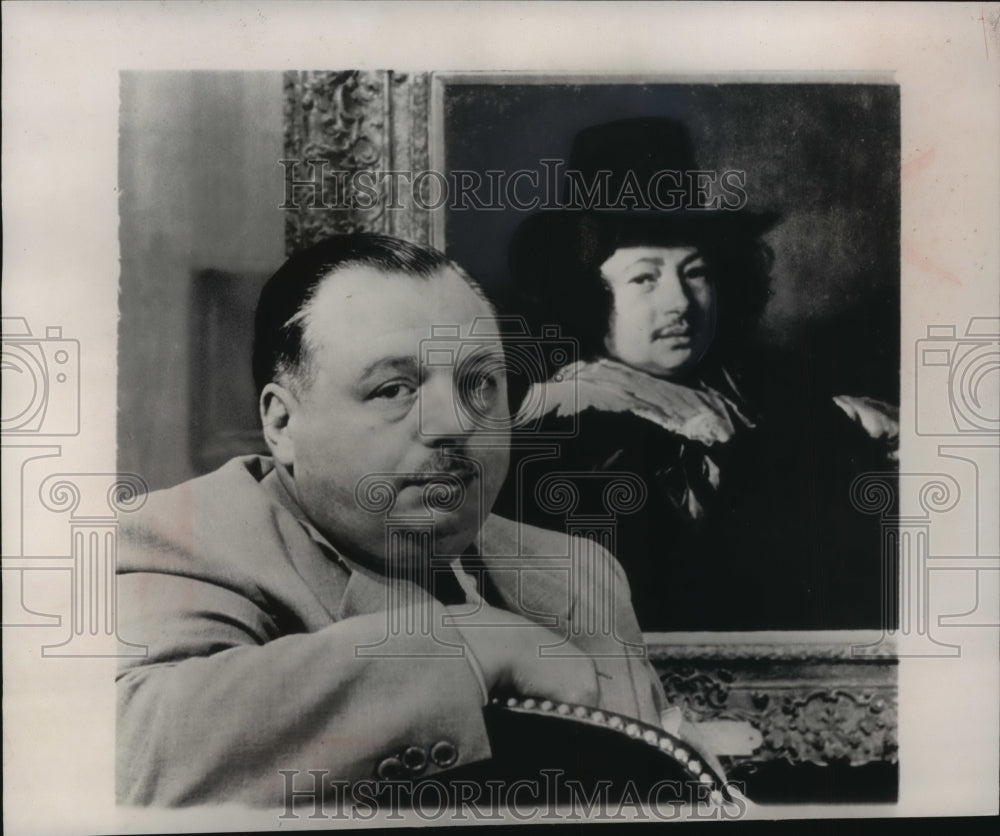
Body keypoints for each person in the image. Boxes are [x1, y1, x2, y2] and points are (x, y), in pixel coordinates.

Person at [115, 233, 689, 809]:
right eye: (394, 388)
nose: (452, 423)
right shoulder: (180, 538)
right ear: (282, 424)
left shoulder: (582, 576)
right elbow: (131, 754)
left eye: (479, 383)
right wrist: (465, 645)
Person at [497, 118, 899, 632]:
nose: (679, 303)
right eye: (644, 278)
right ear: (585, 297)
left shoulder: (754, 398)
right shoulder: (568, 432)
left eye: (696, 273)